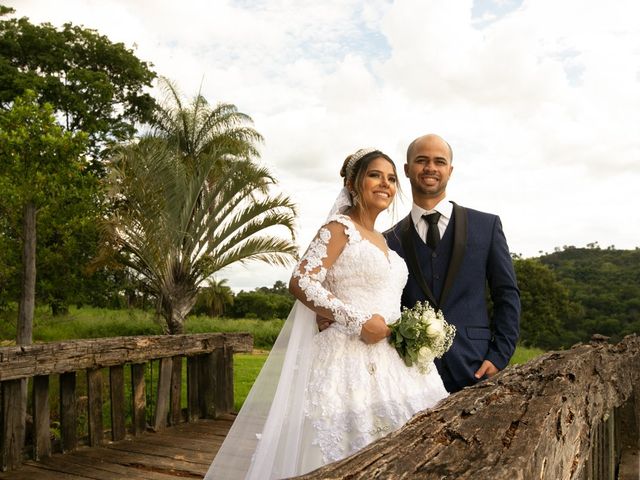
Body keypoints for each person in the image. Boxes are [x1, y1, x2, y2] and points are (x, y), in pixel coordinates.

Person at [204, 148, 448, 480]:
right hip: (347, 357)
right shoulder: (338, 228)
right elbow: (302, 280)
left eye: (391, 179)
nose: (386, 184)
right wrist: (357, 320)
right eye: (375, 175)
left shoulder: (384, 242)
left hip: (394, 361)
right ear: (352, 183)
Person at [384, 134, 521, 393]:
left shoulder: (486, 226)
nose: (430, 168)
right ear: (406, 169)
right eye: (421, 160)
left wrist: (499, 355)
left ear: (450, 170)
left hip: (477, 366)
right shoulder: (388, 240)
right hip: (411, 375)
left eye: (439, 161)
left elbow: (507, 294)